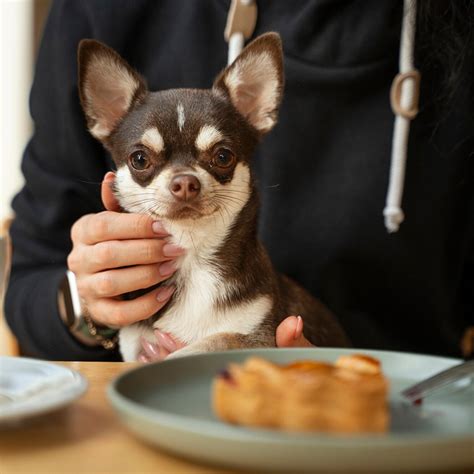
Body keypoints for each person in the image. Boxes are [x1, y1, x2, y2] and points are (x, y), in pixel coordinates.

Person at [5, 0, 473, 362]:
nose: (184, 182)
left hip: (410, 412)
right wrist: (93, 309)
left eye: (220, 157)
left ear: (257, 110)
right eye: (145, 159)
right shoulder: (105, 10)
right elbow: (28, 280)